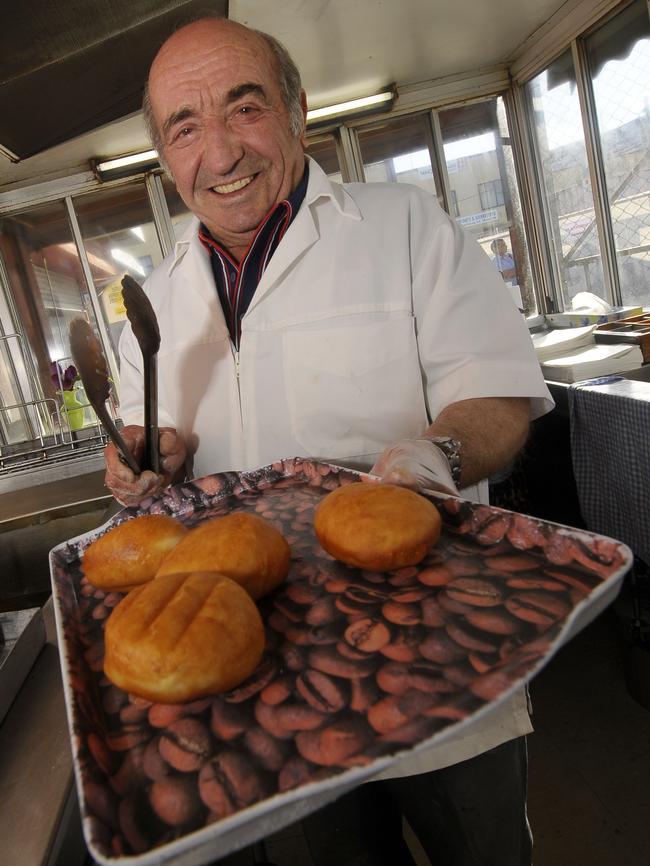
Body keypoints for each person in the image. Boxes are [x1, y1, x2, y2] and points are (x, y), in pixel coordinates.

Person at [104, 16, 554, 866]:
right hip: (274, 691)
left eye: (245, 109)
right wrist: (145, 463)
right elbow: (147, 439)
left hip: (439, 664)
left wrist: (438, 456)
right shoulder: (152, 300)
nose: (223, 153)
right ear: (165, 156)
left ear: (298, 113)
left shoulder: (404, 228)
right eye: (186, 127)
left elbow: (498, 396)